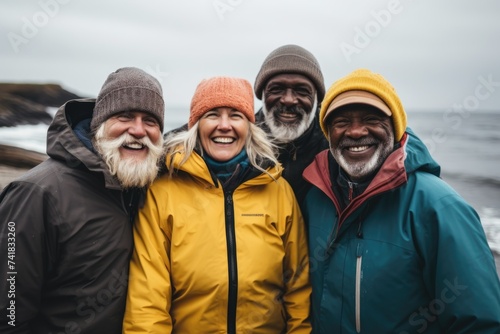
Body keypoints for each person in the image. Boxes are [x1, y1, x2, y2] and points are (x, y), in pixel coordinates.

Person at [302, 68, 500, 333]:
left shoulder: (439, 207)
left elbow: (481, 322)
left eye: (371, 118)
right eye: (341, 121)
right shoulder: (316, 198)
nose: (356, 131)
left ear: (394, 128)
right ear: (328, 132)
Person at [123, 76, 311, 333]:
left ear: (249, 126)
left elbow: (298, 288)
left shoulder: (278, 190)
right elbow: (147, 299)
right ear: (196, 125)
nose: (224, 126)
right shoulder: (162, 192)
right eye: (212, 114)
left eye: (235, 115)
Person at [0, 67, 165, 334]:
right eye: (124, 116)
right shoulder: (35, 192)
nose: (138, 130)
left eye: (150, 120)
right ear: (98, 124)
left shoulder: (143, 187)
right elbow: (9, 313)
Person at [253, 44, 329, 206]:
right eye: (277, 89)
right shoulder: (239, 140)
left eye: (301, 91)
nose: (288, 100)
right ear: (263, 95)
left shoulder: (334, 147)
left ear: (317, 99)